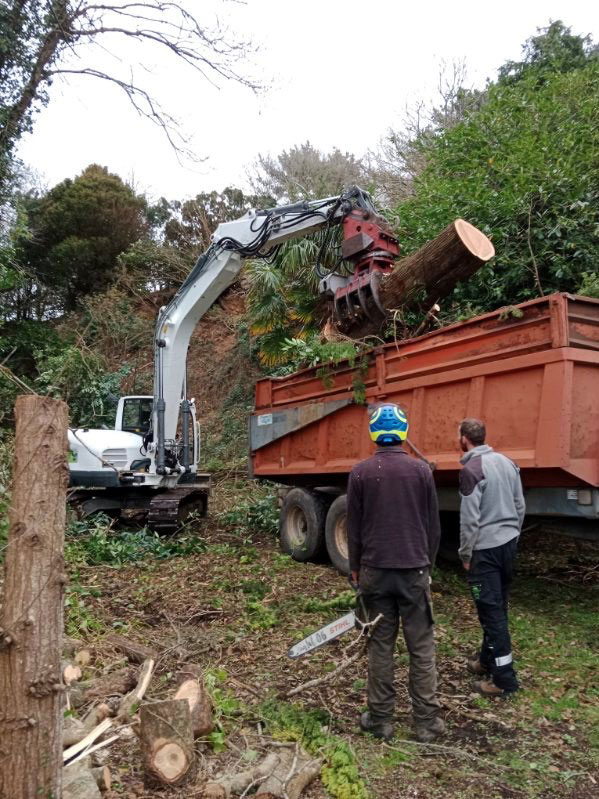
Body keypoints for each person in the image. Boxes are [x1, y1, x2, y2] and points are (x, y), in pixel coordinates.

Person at [347, 403, 444, 743]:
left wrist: (355, 570)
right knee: (421, 648)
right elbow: (433, 527)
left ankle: (380, 721)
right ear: (403, 432)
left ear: (374, 434)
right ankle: (427, 724)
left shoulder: (360, 473)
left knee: (380, 646)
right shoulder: (422, 472)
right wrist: (427, 565)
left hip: (375, 573)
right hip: (414, 571)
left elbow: (354, 530)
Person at [458, 418, 525, 697]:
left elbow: (469, 520)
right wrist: (512, 535)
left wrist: (465, 554)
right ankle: (486, 660)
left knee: (490, 611)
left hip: (484, 551)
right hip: (507, 545)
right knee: (497, 604)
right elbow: (520, 505)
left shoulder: (471, 470)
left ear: (464, 439)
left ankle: (504, 680)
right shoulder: (508, 463)